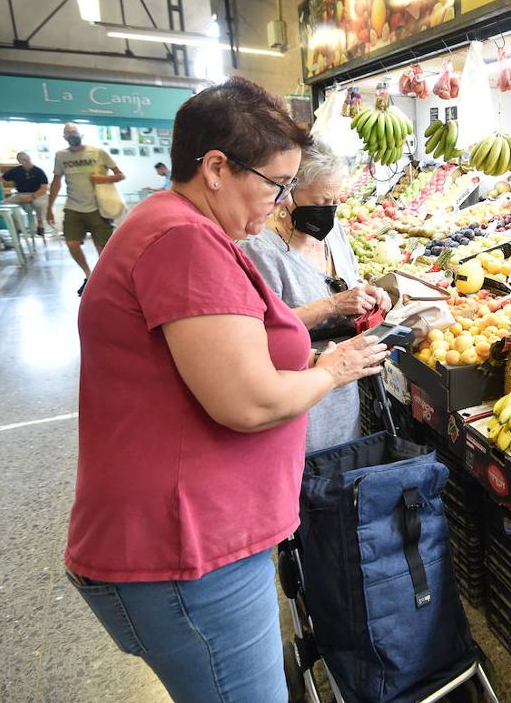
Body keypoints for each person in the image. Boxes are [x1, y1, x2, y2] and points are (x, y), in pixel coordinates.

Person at [64, 77, 391, 703]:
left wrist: (322, 319)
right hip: (186, 554)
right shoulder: (185, 241)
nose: (281, 202)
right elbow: (250, 401)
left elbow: (239, 337)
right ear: (215, 167)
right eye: (275, 184)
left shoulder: (182, 226)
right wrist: (333, 369)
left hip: (193, 543)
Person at [241, 140, 393, 451]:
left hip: (342, 388)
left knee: (340, 468)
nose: (329, 212)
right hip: (298, 392)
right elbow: (261, 331)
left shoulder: (333, 233)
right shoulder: (260, 250)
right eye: (322, 201)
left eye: (335, 201)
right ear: (289, 194)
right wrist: (331, 305)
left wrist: (370, 295)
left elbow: (350, 282)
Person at [48, 123, 126, 295]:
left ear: (80, 134)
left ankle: (104, 280)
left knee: (102, 249)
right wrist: (50, 208)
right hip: (73, 207)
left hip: (97, 207)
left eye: (73, 132)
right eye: (67, 133)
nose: (71, 135)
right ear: (64, 137)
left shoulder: (98, 153)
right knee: (72, 243)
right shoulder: (61, 156)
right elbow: (56, 182)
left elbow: (120, 175)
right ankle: (89, 275)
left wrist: (103, 179)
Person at [0, 151, 50, 235]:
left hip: (37, 193)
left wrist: (33, 196)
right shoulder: (16, 171)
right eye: (24, 160)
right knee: (5, 204)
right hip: (20, 194)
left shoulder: (38, 171)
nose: (27, 162)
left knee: (40, 204)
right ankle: (17, 227)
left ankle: (40, 225)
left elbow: (44, 188)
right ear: (20, 162)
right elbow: (1, 178)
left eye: (28, 159)